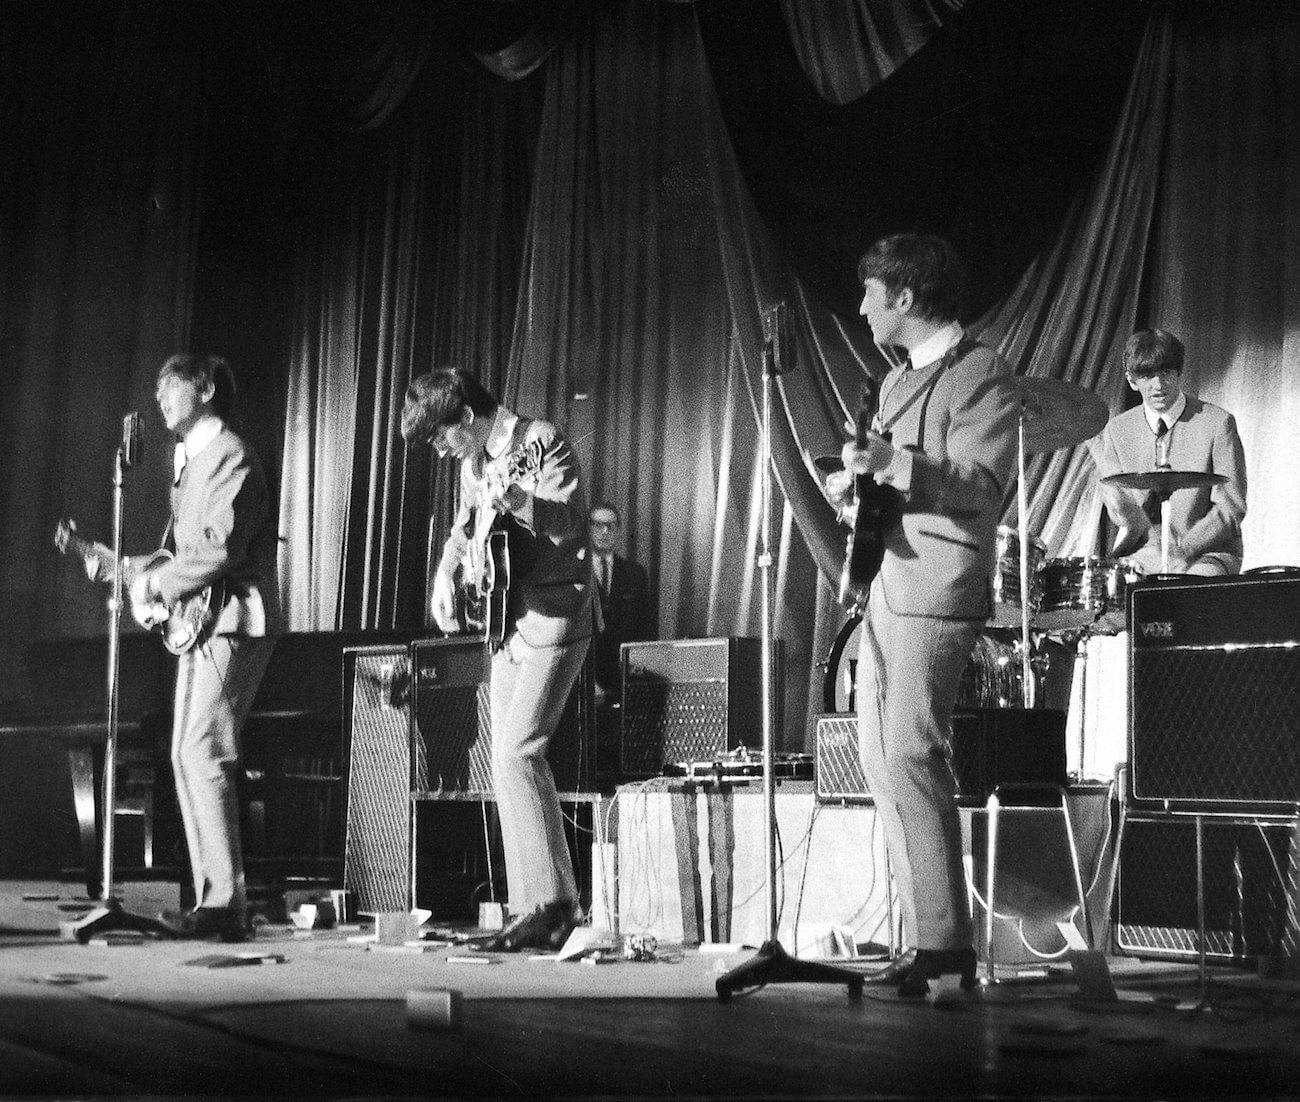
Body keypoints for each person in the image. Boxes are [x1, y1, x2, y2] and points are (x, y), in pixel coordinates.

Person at [825, 234, 1018, 996]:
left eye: (871, 293)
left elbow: (976, 485)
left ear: (905, 299)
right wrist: (858, 489)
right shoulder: (897, 381)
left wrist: (892, 466)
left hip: (936, 589)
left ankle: (944, 944)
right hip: (885, 588)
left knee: (910, 751)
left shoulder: (982, 373)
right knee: (878, 756)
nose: (862, 306)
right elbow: (891, 485)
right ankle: (925, 937)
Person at [401, 366, 592, 951]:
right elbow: (466, 528)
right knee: (503, 762)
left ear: (464, 416)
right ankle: (529, 906)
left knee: (518, 751)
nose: (439, 451)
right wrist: (444, 571)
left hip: (556, 614)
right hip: (506, 622)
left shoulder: (539, 442)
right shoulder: (473, 462)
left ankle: (557, 903)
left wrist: (520, 499)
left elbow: (569, 523)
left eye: (440, 437)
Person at [128, 354, 281, 942]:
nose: (161, 397)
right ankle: (213, 898)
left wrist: (156, 584)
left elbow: (219, 551)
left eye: (173, 387)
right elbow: (182, 552)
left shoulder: (230, 455)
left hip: (235, 621)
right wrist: (127, 570)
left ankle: (224, 903)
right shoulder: (189, 462)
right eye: (158, 387)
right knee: (185, 754)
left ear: (208, 390)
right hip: (203, 623)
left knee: (202, 751)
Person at [1094, 328, 1247, 576]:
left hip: (1209, 551)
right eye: (1147, 376)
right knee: (1117, 597)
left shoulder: (1218, 423)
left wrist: (1183, 549)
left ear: (1179, 373)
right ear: (1131, 381)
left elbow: (1231, 507)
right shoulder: (1117, 429)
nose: (1158, 385)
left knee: (1188, 594)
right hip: (1147, 551)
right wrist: (1121, 509)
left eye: (1166, 373)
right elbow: (1123, 513)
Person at [587, 503, 655, 777]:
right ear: (588, 528)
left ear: (617, 531)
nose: (604, 531)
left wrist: (637, 681)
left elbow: (645, 632)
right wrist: (587, 681)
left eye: (610, 525)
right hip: (587, 683)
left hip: (625, 682)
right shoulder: (576, 573)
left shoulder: (634, 574)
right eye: (597, 524)